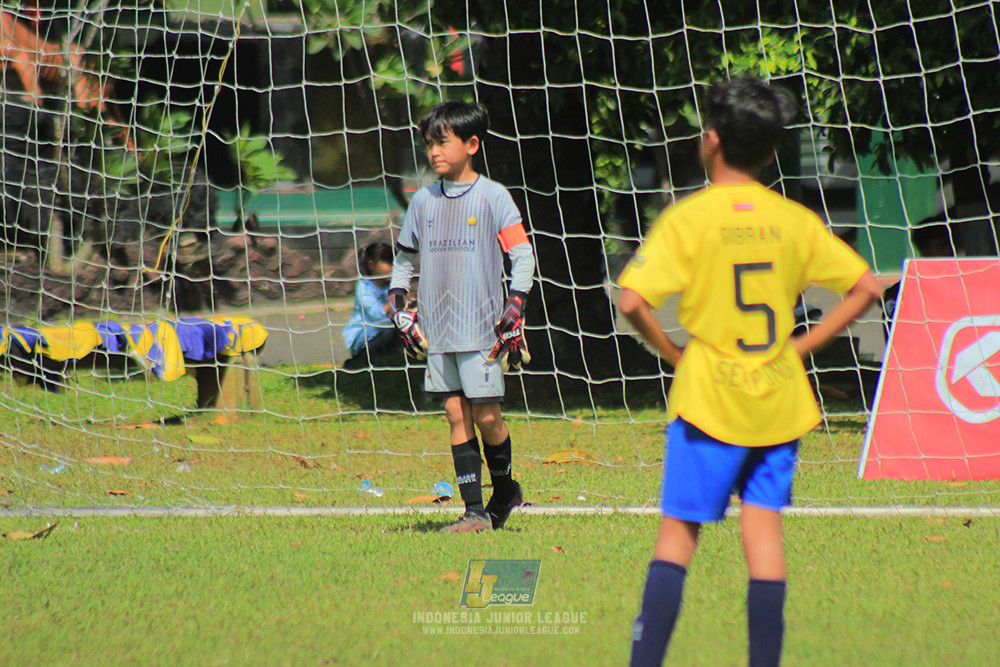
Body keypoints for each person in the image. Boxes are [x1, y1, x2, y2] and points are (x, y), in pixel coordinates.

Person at [617, 78, 881, 666]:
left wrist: (673, 353)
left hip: (710, 397)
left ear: (711, 140)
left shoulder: (691, 218)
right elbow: (865, 285)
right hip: (778, 400)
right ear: (768, 151)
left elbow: (632, 300)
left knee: (678, 537)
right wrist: (803, 345)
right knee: (763, 540)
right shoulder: (792, 218)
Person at [389, 100, 536, 534]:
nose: (434, 152)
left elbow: (522, 254)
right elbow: (403, 259)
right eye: (429, 144)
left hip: (483, 328)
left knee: (487, 416)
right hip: (438, 330)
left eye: (443, 142)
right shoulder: (422, 202)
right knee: (456, 414)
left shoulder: (494, 196)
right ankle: (474, 512)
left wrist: (516, 303)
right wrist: (398, 300)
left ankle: (505, 489)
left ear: (471, 144)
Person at [342, 242, 400, 369]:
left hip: (385, 330)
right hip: (363, 336)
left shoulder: (390, 286)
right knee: (392, 327)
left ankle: (395, 356)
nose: (392, 266)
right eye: (388, 262)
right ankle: (360, 357)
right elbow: (376, 314)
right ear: (372, 264)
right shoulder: (364, 287)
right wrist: (395, 302)